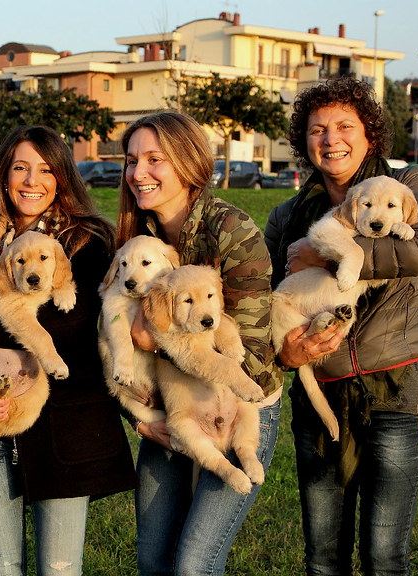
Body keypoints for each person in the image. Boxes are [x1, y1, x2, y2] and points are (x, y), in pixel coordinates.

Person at [265, 76, 418, 576]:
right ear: (304, 141)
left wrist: (323, 253)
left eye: (345, 126)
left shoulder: (411, 184)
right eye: (317, 129)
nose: (331, 139)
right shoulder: (288, 213)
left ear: (370, 133)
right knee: (323, 558)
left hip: (400, 386)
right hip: (322, 387)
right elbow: (264, 299)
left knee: (385, 556)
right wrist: (286, 354)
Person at [0, 125, 135, 576]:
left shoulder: (89, 246)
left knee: (60, 569)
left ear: (62, 177)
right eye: (20, 168)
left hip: (65, 430)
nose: (31, 181)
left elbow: (72, 328)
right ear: (3, 176)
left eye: (45, 170)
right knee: (0, 569)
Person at [117, 111, 283, 576]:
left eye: (155, 159)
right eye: (132, 160)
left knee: (194, 563)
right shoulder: (137, 244)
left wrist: (154, 338)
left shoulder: (232, 231)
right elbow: (115, 349)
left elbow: (245, 354)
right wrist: (142, 420)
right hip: (170, 407)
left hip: (240, 404)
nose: (139, 173)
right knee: (152, 557)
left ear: (189, 162)